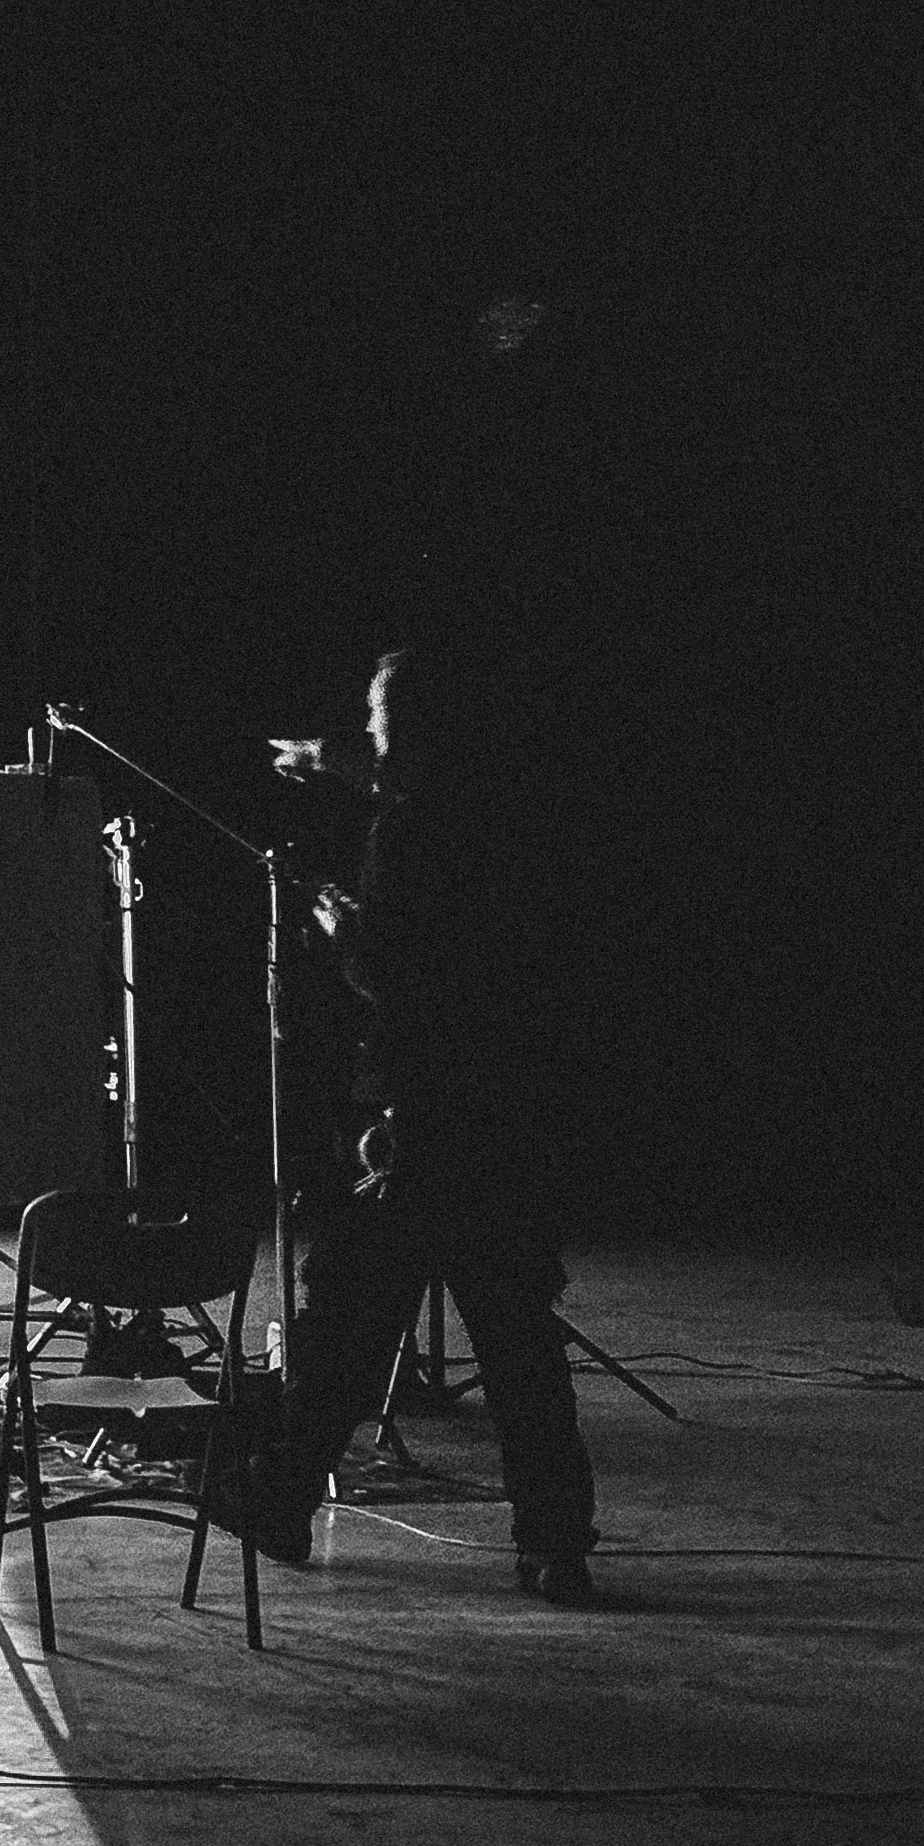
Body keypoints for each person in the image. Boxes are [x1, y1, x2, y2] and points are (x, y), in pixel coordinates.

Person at [255, 644, 602, 1603]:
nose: (370, 746)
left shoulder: (406, 836)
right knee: (518, 1344)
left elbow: (390, 972)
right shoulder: (515, 817)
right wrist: (326, 759)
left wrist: (336, 927)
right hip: (507, 1115)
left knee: (346, 1327)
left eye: (375, 729)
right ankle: (556, 1544)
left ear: (401, 735)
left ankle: (279, 1506)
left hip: (420, 1114)